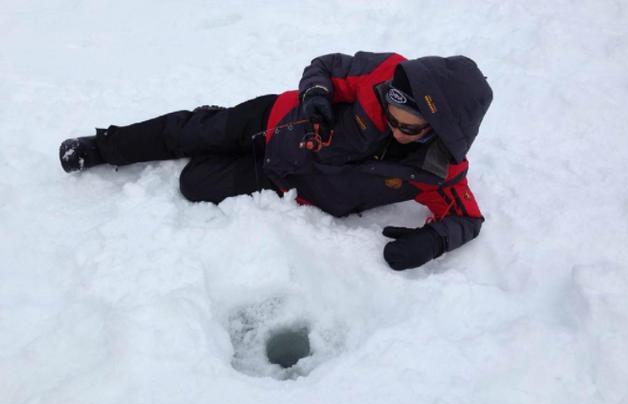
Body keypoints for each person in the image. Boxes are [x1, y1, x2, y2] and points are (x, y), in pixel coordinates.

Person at [59, 51, 493, 271]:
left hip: (283, 178)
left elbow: (468, 219)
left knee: (194, 184)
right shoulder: (385, 73)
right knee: (193, 132)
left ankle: (213, 131)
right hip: (276, 119)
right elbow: (324, 66)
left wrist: (432, 242)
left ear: (439, 132)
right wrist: (317, 94)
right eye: (392, 114)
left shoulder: (439, 169)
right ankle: (104, 147)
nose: (396, 128)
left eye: (409, 128)